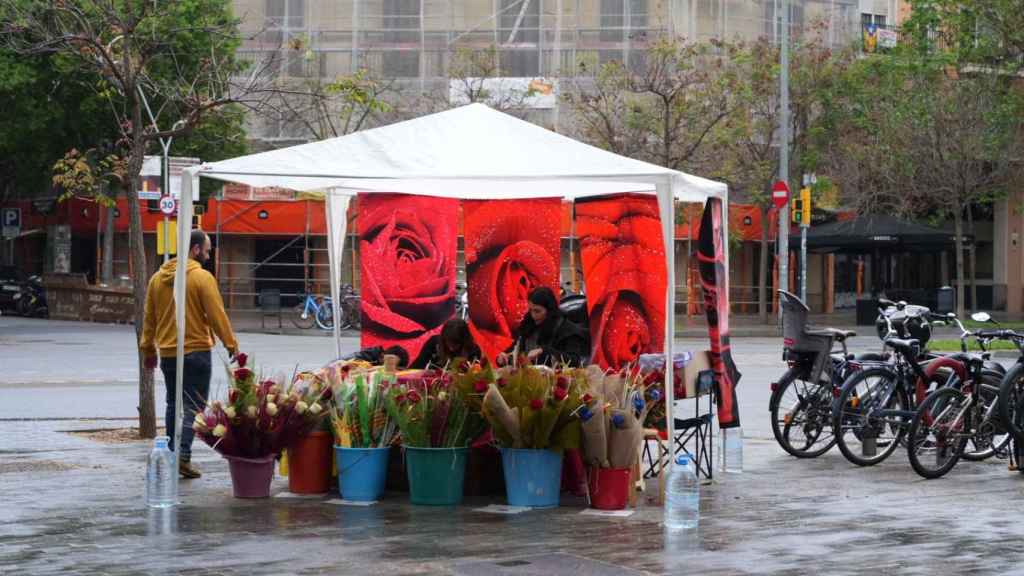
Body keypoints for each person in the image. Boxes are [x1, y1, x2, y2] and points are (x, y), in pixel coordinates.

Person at [140, 229, 238, 480]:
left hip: (169, 354)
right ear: (195, 250)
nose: (208, 254)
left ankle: (173, 454)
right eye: (206, 249)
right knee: (194, 407)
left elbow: (148, 320)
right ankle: (182, 457)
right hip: (196, 352)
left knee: (173, 404)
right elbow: (217, 316)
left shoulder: (155, 279)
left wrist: (148, 349)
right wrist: (231, 345)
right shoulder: (202, 278)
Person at [496, 286, 589, 367]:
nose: (533, 315)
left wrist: (544, 351)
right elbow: (516, 348)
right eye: (531, 310)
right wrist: (504, 356)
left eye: (537, 311)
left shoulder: (566, 329)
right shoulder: (528, 325)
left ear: (549, 310)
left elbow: (574, 361)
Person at [410, 318, 482, 369]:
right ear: (443, 339)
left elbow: (476, 377)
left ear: (464, 341)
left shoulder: (473, 350)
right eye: (448, 343)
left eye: (456, 344)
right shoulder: (433, 343)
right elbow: (416, 367)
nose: (451, 348)